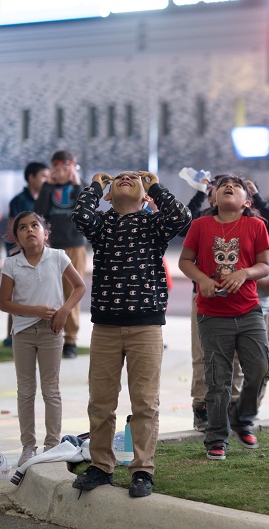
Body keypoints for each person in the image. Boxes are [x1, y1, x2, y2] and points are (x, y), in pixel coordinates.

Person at [71, 170, 190, 498]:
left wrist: (155, 187)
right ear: (108, 196)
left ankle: (142, 470)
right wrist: (96, 186)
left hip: (146, 327)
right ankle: (101, 466)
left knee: (145, 402)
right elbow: (80, 214)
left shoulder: (154, 225)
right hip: (106, 327)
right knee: (100, 402)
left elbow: (182, 215)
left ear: (145, 195)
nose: (126, 178)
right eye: (118, 179)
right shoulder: (102, 224)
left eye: (134, 179)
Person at [179, 175, 269, 461]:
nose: (228, 187)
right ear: (213, 198)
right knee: (217, 380)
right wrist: (201, 281)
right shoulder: (200, 225)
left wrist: (244, 272)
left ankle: (243, 418)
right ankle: (216, 437)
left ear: (247, 201)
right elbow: (185, 261)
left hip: (248, 311)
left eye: (236, 186)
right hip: (212, 314)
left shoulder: (256, 225)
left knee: (260, 368)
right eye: (222, 186)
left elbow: (265, 265)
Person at [0, 211, 86, 466]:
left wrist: (64, 311)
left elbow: (79, 287)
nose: (29, 230)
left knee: (51, 389)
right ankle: (28, 446)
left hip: (52, 333)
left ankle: (52, 445)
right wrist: (35, 311)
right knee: (25, 390)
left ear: (45, 233)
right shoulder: (11, 264)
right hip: (23, 333)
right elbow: (4, 303)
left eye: (34, 225)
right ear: (17, 237)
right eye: (22, 228)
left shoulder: (58, 257)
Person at [35, 150, 86, 359]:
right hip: (51, 246)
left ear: (73, 167)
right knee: (48, 290)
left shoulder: (79, 188)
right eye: (57, 168)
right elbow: (38, 213)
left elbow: (86, 209)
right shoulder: (48, 188)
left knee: (73, 291)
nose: (62, 172)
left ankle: (71, 340)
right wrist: (48, 184)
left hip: (74, 245)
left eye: (66, 168)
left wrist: (76, 184)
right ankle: (49, 335)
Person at [3, 162, 50, 347]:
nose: (46, 180)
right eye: (43, 176)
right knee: (17, 293)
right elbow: (12, 228)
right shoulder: (19, 201)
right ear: (31, 177)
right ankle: (11, 334)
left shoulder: (46, 198)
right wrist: (19, 251)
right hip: (21, 252)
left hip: (41, 251)